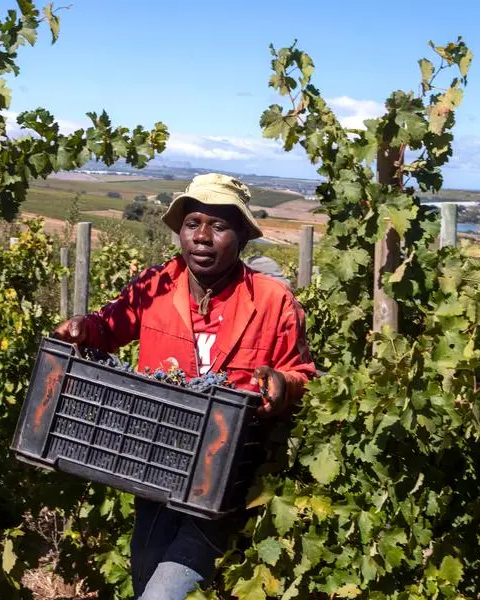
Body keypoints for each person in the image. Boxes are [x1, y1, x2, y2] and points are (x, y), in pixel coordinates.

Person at [54, 173, 315, 600]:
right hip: (154, 467)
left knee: (163, 594)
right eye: (193, 223)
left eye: (219, 226)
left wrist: (282, 385)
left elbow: (302, 374)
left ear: (242, 237)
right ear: (180, 231)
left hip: (227, 480)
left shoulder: (273, 300)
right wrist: (85, 328)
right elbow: (108, 327)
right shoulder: (156, 287)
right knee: (146, 581)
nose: (203, 237)